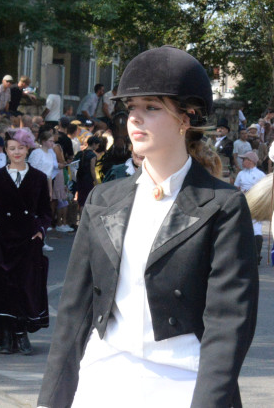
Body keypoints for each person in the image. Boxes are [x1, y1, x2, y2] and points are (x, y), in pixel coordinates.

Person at [38, 46, 259, 407]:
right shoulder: (102, 200)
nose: (135, 119)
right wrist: (51, 401)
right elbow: (74, 317)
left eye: (151, 108)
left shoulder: (224, 206)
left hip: (184, 383)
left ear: (186, 117)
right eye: (132, 109)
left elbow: (228, 326)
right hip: (101, 381)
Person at [0, 128, 51, 355]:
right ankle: (6, 334)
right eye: (12, 148)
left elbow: (46, 211)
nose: (17, 152)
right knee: (3, 287)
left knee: (25, 286)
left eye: (21, 148)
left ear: (28, 149)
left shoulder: (38, 178)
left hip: (28, 239)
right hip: (1, 240)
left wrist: (40, 231)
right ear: (5, 150)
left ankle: (21, 334)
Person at [234, 150, 265, 265]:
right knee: (242, 227)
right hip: (243, 202)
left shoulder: (260, 175)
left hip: (256, 203)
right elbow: (236, 188)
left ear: (251, 161)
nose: (242, 161)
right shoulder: (241, 174)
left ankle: (256, 254)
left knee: (256, 228)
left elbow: (265, 190)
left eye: (244, 159)